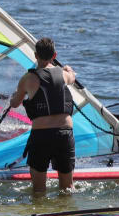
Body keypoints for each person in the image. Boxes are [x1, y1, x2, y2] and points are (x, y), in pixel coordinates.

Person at [9, 37, 76, 194]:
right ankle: (66, 215)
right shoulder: (64, 75)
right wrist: (69, 69)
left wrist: (15, 95)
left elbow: (15, 103)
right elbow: (72, 77)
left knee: (38, 190)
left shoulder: (27, 79)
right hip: (64, 134)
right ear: (54, 55)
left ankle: (39, 215)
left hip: (41, 136)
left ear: (35, 55)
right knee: (67, 188)